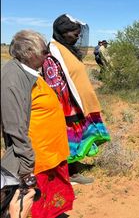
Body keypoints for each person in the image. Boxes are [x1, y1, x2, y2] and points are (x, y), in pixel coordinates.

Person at [1, 30, 74, 217]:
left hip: (50, 153)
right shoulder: (13, 79)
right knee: (32, 204)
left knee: (50, 201)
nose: (47, 54)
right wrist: (26, 166)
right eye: (44, 51)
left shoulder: (28, 71)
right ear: (29, 53)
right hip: (37, 159)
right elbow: (14, 126)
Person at [43, 14, 111, 185]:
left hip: (79, 105)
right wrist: (66, 110)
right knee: (70, 140)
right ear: (63, 33)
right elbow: (55, 85)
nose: (77, 37)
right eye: (74, 34)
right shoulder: (53, 52)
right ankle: (70, 174)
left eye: (79, 34)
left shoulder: (66, 49)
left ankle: (72, 167)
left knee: (78, 138)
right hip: (68, 108)